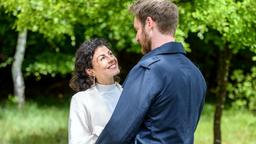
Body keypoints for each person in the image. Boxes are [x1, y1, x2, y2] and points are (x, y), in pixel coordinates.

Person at [96, 0, 207, 143]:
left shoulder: (149, 70)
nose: (137, 37)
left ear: (149, 23)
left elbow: (117, 132)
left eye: (137, 29)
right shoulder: (195, 73)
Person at [68, 38, 122, 144]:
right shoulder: (81, 100)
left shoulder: (128, 93)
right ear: (90, 71)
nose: (111, 59)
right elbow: (77, 141)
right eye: (102, 58)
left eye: (110, 54)